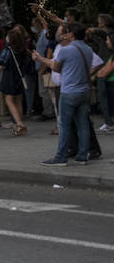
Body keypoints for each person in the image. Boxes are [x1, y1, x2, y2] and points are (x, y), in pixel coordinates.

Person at [34, 23, 101, 166]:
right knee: (83, 124)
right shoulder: (88, 49)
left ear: (72, 34)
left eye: (67, 32)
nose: (65, 34)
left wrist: (40, 59)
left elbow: (56, 68)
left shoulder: (66, 50)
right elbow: (98, 63)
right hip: (84, 91)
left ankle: (61, 157)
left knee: (64, 125)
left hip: (69, 92)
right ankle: (83, 156)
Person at [0, 25, 31, 136]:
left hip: (9, 76)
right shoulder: (23, 50)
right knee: (18, 100)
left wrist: (0, 66)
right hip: (19, 76)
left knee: (9, 99)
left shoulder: (8, 50)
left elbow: (1, 62)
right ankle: (19, 123)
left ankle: (19, 123)